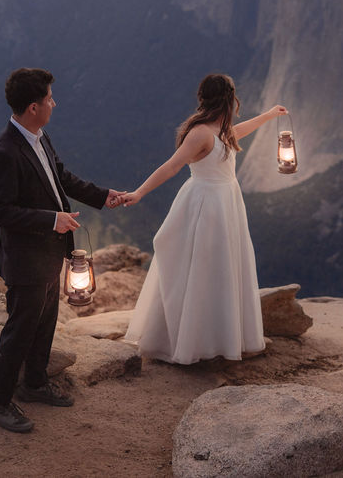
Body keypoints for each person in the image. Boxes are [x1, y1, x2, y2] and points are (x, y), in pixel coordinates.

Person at [0, 67, 125, 433]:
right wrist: (52, 220)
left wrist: (101, 196)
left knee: (44, 324)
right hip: (26, 260)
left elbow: (62, 177)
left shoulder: (39, 138)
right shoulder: (4, 153)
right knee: (20, 329)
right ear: (33, 107)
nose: (53, 103)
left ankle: (34, 384)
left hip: (47, 255)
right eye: (48, 99)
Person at [121, 73, 287, 364]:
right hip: (207, 204)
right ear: (229, 99)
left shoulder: (221, 129)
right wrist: (138, 193)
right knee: (202, 268)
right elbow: (172, 166)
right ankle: (192, 341)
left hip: (226, 202)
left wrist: (269, 115)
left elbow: (239, 131)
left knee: (220, 269)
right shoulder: (200, 132)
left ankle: (217, 338)